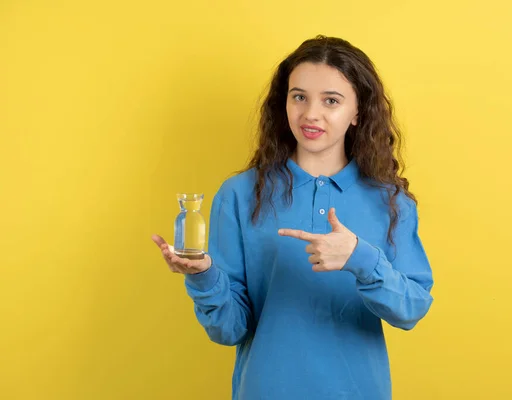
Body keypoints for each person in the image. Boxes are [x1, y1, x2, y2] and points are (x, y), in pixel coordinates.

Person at [152, 35, 434, 400]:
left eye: (330, 101)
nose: (310, 114)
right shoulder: (240, 194)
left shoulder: (389, 201)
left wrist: (361, 259)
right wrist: (204, 278)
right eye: (298, 96)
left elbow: (411, 310)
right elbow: (229, 330)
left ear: (358, 113)